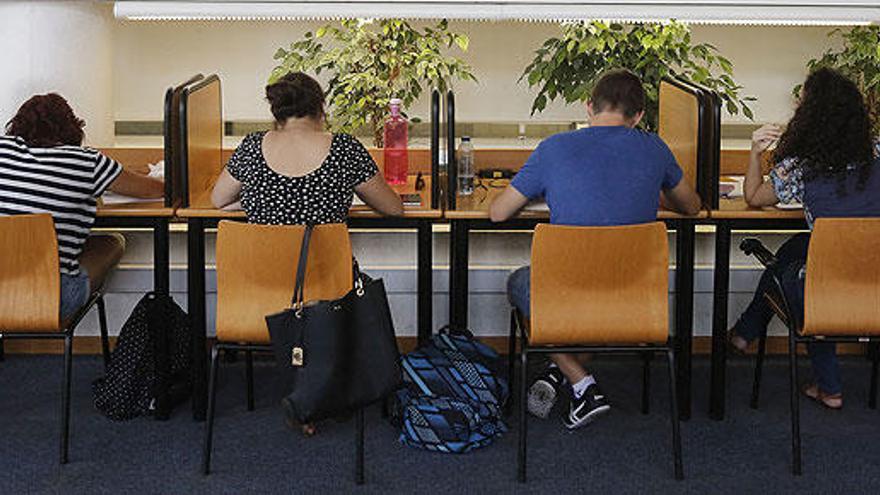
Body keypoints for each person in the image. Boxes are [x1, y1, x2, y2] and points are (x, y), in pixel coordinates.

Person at [490, 69, 701, 429]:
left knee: (520, 283)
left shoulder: (553, 148)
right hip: (633, 297)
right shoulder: (654, 148)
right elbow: (692, 207)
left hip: (569, 294)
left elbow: (498, 213)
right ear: (638, 117)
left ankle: (580, 382)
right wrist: (651, 187)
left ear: (589, 107)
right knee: (602, 296)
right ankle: (567, 371)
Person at [211, 72, 403, 435]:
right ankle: (340, 383)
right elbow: (393, 208)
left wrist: (251, 201)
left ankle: (305, 385)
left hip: (258, 294)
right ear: (320, 107)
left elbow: (218, 199)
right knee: (346, 274)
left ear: (276, 111)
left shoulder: (253, 147)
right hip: (326, 298)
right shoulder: (344, 148)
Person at [729, 67, 880, 410]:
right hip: (876, 274)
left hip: (829, 282)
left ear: (810, 117)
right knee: (796, 247)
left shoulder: (800, 166)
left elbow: (753, 196)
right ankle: (745, 331)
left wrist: (754, 151)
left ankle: (830, 388)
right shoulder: (878, 151)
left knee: (795, 276)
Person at [1, 93, 164, 320]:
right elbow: (153, 189)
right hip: (54, 300)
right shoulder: (86, 161)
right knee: (112, 240)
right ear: (71, 128)